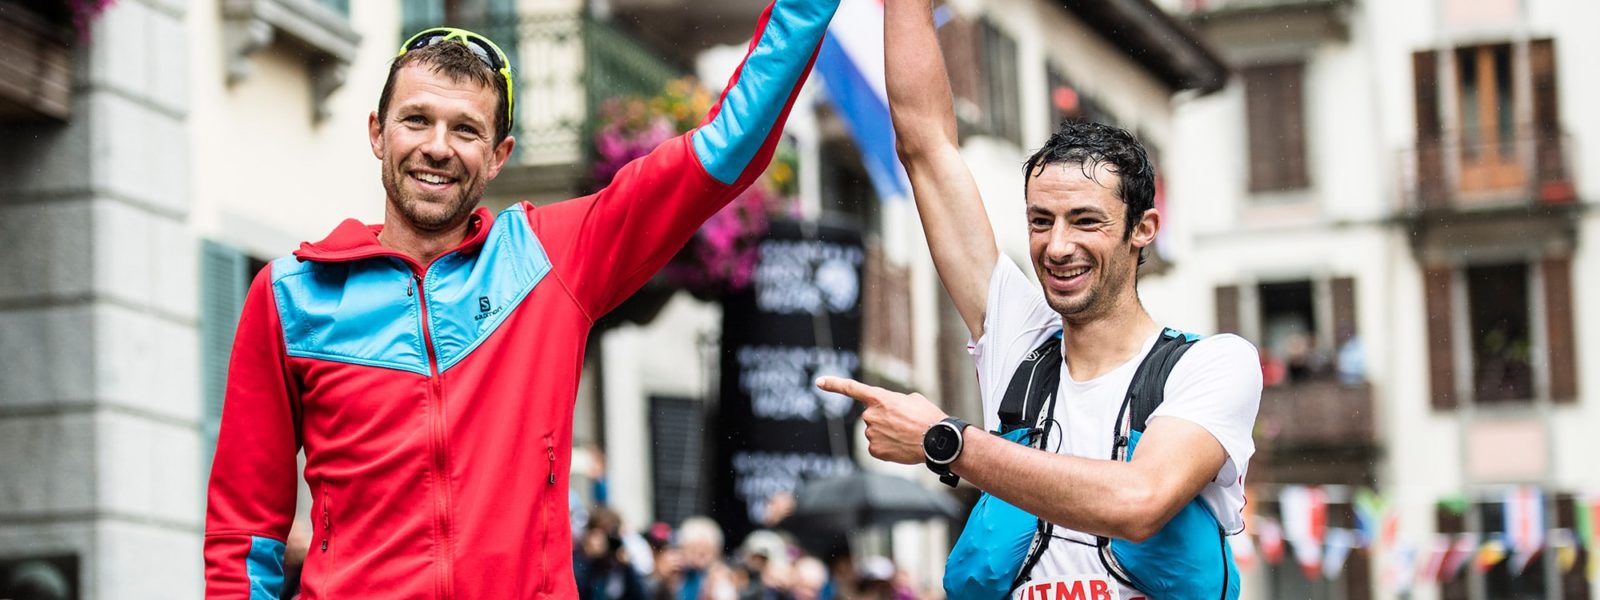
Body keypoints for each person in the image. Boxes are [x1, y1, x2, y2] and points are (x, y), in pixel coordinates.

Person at [201, 0, 841, 595]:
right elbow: (243, 533)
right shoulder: (290, 295)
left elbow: (725, 148)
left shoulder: (551, 258)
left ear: (499, 154)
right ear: (377, 132)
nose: (436, 147)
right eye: (416, 120)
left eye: (466, 129)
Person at [815, 0, 1261, 597]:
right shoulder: (1019, 344)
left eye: (1085, 221)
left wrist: (944, 442)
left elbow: (1140, 500)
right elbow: (924, 144)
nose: (1057, 246)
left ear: (1143, 229)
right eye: (1040, 221)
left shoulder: (1211, 365)